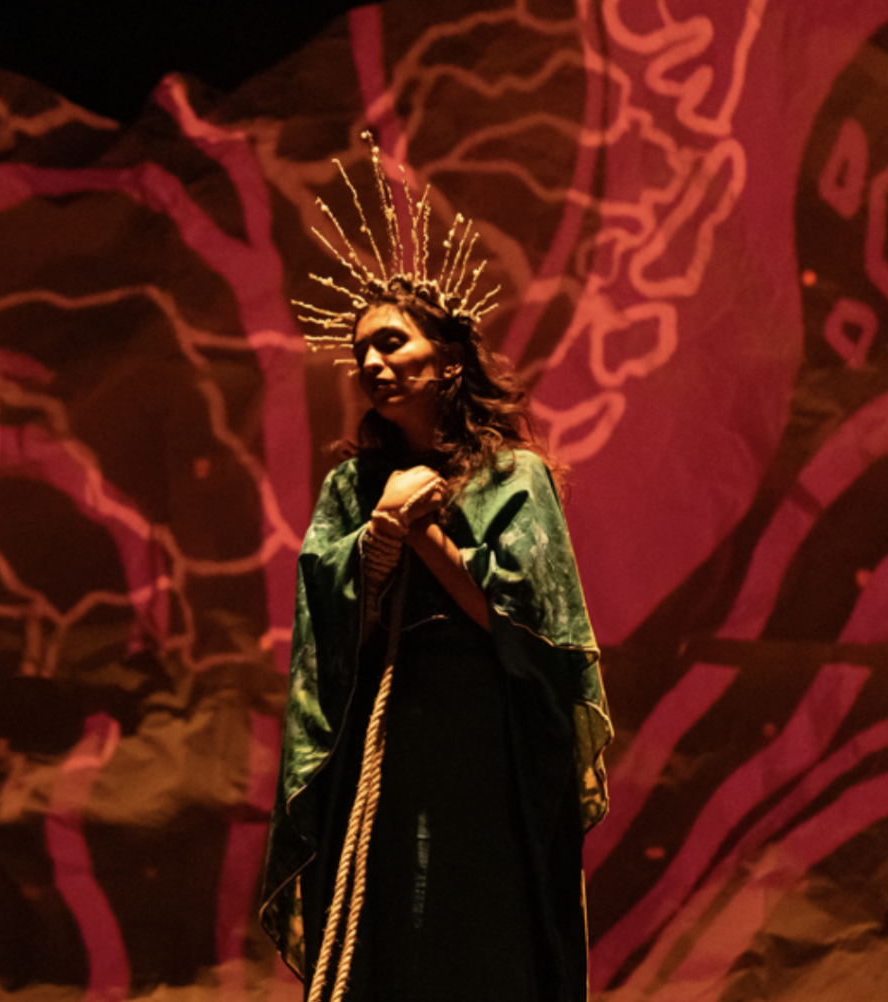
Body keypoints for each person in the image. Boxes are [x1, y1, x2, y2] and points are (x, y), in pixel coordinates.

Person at [259, 138, 612, 1002]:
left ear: (449, 357)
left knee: (475, 917)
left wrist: (419, 534)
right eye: (362, 353)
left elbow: (526, 622)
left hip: (481, 732)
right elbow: (324, 619)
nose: (372, 365)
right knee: (388, 919)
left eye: (392, 343)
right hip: (385, 732)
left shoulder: (513, 477)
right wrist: (378, 531)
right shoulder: (352, 487)